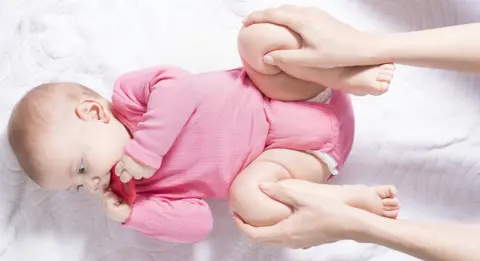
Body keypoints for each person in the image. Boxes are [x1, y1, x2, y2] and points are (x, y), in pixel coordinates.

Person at [7, 21, 399, 243]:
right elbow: (198, 225)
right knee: (247, 201)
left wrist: (148, 149)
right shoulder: (144, 191)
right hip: (296, 159)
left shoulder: (129, 95)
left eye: (80, 168)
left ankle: (349, 72)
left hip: (297, 96)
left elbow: (181, 87)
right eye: (78, 186)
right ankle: (343, 202)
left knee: (256, 39)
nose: (92, 184)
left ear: (93, 112)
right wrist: (134, 213)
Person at [233, 5, 480, 261]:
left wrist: (357, 224)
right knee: (261, 35)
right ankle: (338, 73)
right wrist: (369, 46)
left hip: (292, 154)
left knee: (253, 202)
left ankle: (340, 202)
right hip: (298, 105)